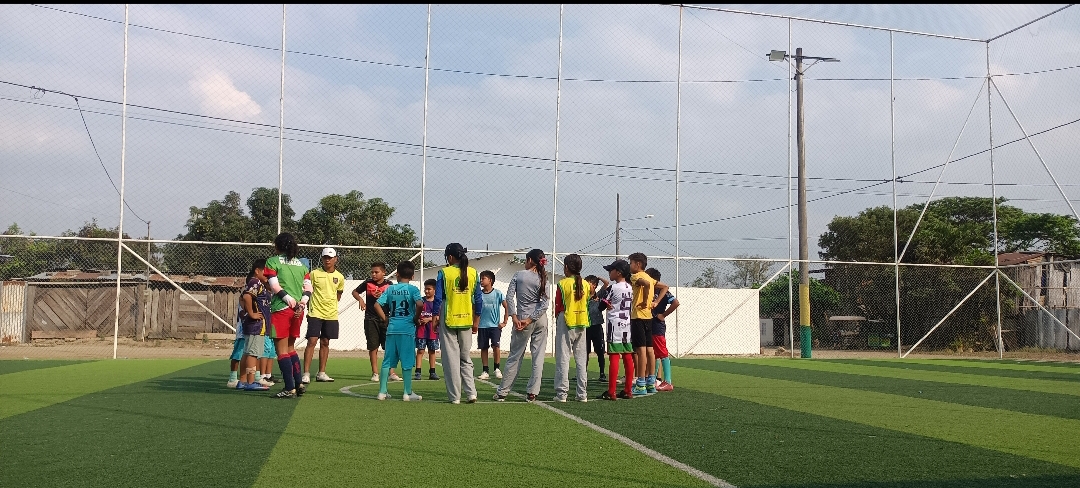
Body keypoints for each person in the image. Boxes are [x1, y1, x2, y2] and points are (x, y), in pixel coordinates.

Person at [494, 249, 549, 402]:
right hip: (540, 319)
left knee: (515, 356)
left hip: (522, 318)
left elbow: (509, 297)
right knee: (538, 357)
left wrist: (514, 317)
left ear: (530, 260)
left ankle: (503, 392)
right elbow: (545, 304)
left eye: (526, 260)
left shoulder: (519, 275)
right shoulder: (544, 277)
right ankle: (532, 392)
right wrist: (531, 319)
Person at [433, 243, 483, 404]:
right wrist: (476, 320)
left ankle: (455, 396)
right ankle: (471, 393)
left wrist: (435, 317)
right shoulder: (473, 272)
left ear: (450, 257)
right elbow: (478, 299)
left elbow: (438, 298)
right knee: (465, 358)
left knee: (451, 360)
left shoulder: (444, 273)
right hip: (467, 319)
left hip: (449, 318)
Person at [265, 232, 313, 399]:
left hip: (281, 309)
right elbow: (308, 288)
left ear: (278, 246)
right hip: (298, 311)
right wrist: (301, 303)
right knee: (291, 348)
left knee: (281, 351)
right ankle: (298, 383)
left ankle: (289, 388)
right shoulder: (302, 265)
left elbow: (274, 286)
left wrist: (289, 300)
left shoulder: (272, 261)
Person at [373, 261, 424, 401]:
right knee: (407, 361)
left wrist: (385, 319)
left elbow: (377, 305)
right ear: (412, 276)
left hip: (392, 329)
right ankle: (407, 392)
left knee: (387, 361)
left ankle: (382, 392)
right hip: (406, 329)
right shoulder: (413, 289)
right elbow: (420, 304)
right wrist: (415, 318)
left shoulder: (390, 289)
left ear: (397, 274)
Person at [302, 248, 345, 384]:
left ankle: (321, 373)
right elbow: (307, 291)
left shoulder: (340, 277)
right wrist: (308, 307)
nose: (327, 260)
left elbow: (338, 295)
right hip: (315, 312)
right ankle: (306, 373)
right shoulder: (314, 274)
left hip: (331, 315)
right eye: (325, 257)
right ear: (322, 258)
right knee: (312, 341)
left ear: (335, 259)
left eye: (330, 257)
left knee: (325, 342)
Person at [553, 254, 592, 403]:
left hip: (566, 320)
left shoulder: (563, 283)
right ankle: (582, 394)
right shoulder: (586, 284)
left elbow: (558, 305)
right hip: (582, 322)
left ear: (566, 267)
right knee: (581, 360)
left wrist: (558, 318)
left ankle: (562, 394)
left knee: (563, 357)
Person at [627, 252, 667, 396]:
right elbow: (665, 287)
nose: (630, 266)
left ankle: (641, 383)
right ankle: (651, 382)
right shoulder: (650, 277)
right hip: (649, 317)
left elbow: (645, 285)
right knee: (650, 350)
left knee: (641, 350)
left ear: (638, 264)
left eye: (631, 263)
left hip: (638, 317)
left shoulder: (635, 276)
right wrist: (655, 302)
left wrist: (644, 301)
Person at [353, 263, 397, 383]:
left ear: (384, 273)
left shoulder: (389, 285)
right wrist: (360, 299)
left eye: (376, 272)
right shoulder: (368, 283)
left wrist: (383, 295)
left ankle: (391, 372)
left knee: (389, 346)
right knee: (373, 346)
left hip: (385, 318)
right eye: (372, 272)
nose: (373, 274)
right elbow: (355, 292)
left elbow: (393, 299)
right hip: (370, 318)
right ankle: (375, 373)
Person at [600, 259, 635, 401]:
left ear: (618, 272)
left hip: (614, 325)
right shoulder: (630, 288)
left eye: (611, 270)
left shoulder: (613, 288)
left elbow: (601, 306)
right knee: (627, 356)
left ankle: (611, 391)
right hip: (627, 325)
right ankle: (628, 390)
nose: (609, 272)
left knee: (614, 356)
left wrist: (603, 303)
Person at [236, 259, 272, 391]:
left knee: (247, 352)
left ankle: (242, 381)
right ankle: (251, 382)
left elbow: (242, 297)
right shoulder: (255, 282)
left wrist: (246, 311)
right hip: (256, 325)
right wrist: (251, 313)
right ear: (257, 271)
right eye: (265, 272)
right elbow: (246, 297)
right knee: (252, 353)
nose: (268, 275)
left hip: (253, 325)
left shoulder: (256, 283)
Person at [646, 268, 679, 392]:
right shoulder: (648, 290)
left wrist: (663, 315)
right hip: (649, 324)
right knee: (654, 353)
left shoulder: (662, 291)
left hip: (657, 325)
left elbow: (676, 303)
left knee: (662, 352)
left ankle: (668, 381)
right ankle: (654, 379)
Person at [477, 270, 508, 381]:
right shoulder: (478, 294)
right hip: (482, 326)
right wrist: (475, 323)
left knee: (496, 346)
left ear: (490, 280)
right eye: (480, 278)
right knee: (484, 348)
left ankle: (497, 368)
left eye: (483, 278)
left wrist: (504, 322)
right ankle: (485, 370)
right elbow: (474, 309)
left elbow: (507, 307)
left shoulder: (498, 293)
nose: (481, 281)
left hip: (495, 326)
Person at [414, 279, 441, 381]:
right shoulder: (421, 302)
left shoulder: (437, 302)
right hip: (421, 331)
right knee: (420, 350)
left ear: (435, 290)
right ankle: (418, 372)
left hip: (432, 331)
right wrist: (417, 320)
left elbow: (439, 317)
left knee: (432, 351)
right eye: (425, 289)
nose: (426, 291)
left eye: (429, 289)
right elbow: (415, 314)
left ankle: (432, 372)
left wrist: (429, 319)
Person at [584, 274, 608, 383]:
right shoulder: (583, 296)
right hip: (586, 327)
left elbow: (606, 283)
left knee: (600, 350)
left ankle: (602, 373)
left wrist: (598, 278)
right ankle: (583, 372)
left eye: (588, 283)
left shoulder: (598, 295)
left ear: (594, 285)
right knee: (585, 351)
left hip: (597, 326)